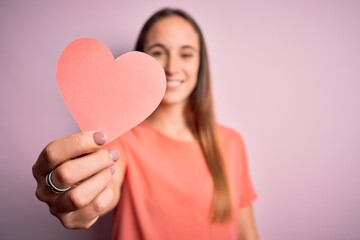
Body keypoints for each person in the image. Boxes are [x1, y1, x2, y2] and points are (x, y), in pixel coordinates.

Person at [32, 8, 258, 240]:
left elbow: (247, 234)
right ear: (141, 60)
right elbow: (103, 192)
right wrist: (77, 200)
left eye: (186, 54)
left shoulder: (232, 143)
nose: (172, 66)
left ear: (201, 64)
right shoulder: (121, 140)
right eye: (158, 52)